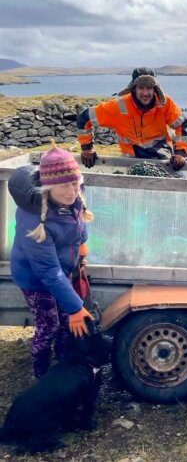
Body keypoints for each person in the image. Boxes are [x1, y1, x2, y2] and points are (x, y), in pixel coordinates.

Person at [8, 143, 94, 378]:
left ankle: (64, 365)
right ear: (48, 186)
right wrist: (77, 308)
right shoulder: (34, 218)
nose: (71, 191)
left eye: (75, 184)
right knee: (49, 326)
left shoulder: (72, 199)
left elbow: (78, 223)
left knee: (67, 322)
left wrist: (82, 246)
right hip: (36, 279)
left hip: (61, 270)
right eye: (64, 185)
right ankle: (42, 374)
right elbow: (47, 271)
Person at [77, 67, 187, 171]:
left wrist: (180, 152)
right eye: (141, 88)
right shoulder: (118, 106)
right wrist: (87, 149)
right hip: (130, 160)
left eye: (149, 88)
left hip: (162, 157)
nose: (145, 93)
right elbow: (84, 118)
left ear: (155, 89)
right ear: (133, 88)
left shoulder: (165, 103)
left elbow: (182, 123)